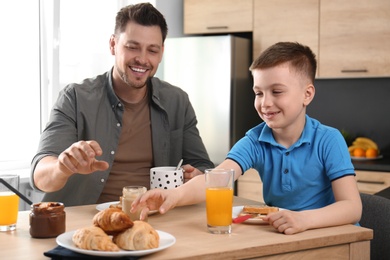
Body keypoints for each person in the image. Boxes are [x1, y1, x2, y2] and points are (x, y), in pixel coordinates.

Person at [131, 42, 362, 235]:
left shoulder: (329, 140)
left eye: (277, 92)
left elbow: (352, 208)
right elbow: (218, 178)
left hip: (335, 236)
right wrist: (172, 195)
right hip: (287, 234)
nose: (265, 103)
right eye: (259, 93)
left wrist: (303, 220)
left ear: (307, 94)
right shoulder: (256, 140)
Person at [30, 3, 214, 206]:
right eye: (132, 47)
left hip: (155, 220)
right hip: (85, 223)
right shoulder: (75, 97)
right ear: (113, 44)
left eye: (152, 50)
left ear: (161, 52)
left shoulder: (177, 101)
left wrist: (195, 176)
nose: (142, 59)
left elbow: (205, 169)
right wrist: (62, 167)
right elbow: (40, 176)